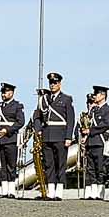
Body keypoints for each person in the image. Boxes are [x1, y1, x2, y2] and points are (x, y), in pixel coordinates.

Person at [31, 74, 76, 202]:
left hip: (61, 135)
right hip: (47, 135)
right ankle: (50, 192)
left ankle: (59, 192)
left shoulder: (66, 99)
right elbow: (37, 117)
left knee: (60, 164)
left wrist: (68, 137)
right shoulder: (44, 99)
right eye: (51, 83)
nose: (52, 85)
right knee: (49, 164)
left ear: (59, 84)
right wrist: (38, 130)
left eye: (55, 83)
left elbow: (70, 119)